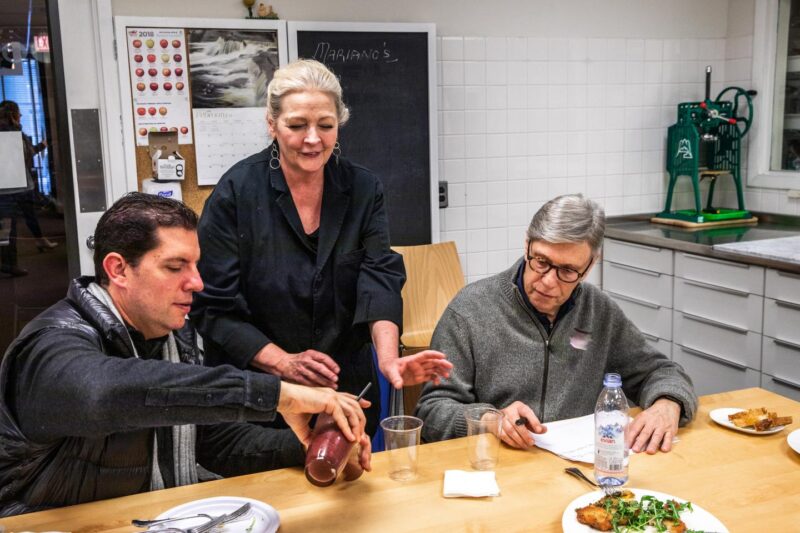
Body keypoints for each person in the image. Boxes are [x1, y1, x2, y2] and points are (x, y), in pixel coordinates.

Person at [0, 193, 371, 517]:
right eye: (176, 267)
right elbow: (106, 394)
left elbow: (214, 443)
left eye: (195, 266)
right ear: (118, 269)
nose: (197, 283)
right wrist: (279, 395)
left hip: (146, 518)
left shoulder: (174, 334)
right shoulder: (50, 344)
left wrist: (318, 444)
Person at [190, 59, 452, 433]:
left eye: (326, 126)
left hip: (343, 386)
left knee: (346, 480)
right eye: (297, 126)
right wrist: (283, 363)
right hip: (262, 394)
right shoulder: (236, 193)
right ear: (272, 125)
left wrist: (389, 359)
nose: (313, 138)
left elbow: (379, 276)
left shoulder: (363, 189)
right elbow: (213, 308)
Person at [416, 194, 698, 454]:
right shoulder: (469, 311)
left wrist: (667, 404)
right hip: (497, 469)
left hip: (578, 470)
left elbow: (661, 372)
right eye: (541, 261)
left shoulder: (598, 311)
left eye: (567, 270)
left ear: (589, 266)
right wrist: (489, 419)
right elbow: (432, 411)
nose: (548, 281)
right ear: (527, 245)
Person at [0, 101, 57, 257]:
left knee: (11, 223)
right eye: (19, 114)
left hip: (10, 186)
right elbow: (24, 154)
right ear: (13, 115)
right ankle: (10, 261)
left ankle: (36, 242)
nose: (20, 117)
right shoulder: (13, 133)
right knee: (17, 221)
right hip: (18, 186)